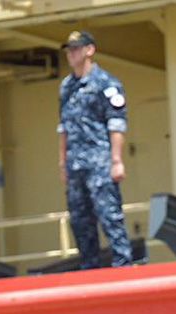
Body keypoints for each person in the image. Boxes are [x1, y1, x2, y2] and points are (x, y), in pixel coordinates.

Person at [57, 30, 133, 269]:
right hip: (75, 164)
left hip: (100, 161)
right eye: (69, 50)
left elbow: (116, 124)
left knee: (109, 215)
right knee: (80, 221)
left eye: (77, 49)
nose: (72, 54)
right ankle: (89, 270)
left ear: (90, 50)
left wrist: (116, 160)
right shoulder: (67, 87)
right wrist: (62, 163)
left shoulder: (106, 84)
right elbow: (64, 127)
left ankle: (123, 266)